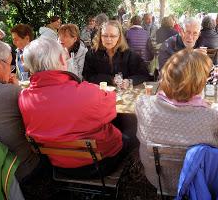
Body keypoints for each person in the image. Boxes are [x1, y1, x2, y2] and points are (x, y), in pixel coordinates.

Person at [19, 37, 135, 178]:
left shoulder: (24, 97)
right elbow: (112, 108)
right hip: (99, 164)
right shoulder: (87, 92)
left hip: (58, 166)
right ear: (62, 61)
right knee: (131, 130)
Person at [136, 49, 218, 195]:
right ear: (199, 82)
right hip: (194, 180)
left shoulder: (143, 104)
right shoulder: (209, 115)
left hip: (156, 176)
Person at [0, 39, 39, 182]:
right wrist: (16, 89)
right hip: (14, 173)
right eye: (10, 66)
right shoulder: (12, 93)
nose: (11, 70)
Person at [83, 20, 150, 86]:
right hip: (100, 94)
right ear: (100, 36)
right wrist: (110, 80)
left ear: (119, 37)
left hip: (124, 94)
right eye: (105, 36)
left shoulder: (129, 54)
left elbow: (143, 75)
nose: (108, 39)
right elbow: (88, 76)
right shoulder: (91, 54)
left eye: (112, 36)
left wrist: (129, 81)